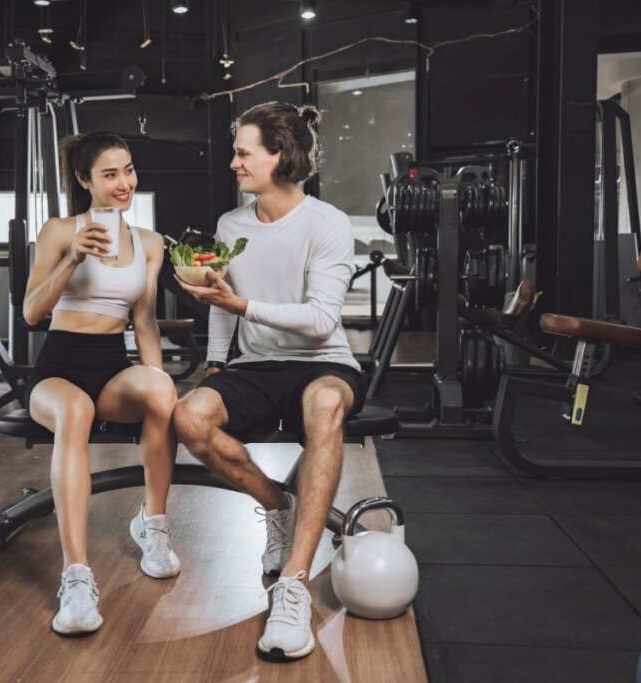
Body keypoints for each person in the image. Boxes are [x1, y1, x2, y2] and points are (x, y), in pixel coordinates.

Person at [173, 102, 365, 661]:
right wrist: (213, 364)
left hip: (323, 361)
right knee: (189, 416)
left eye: (242, 152)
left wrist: (243, 303)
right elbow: (221, 304)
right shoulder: (231, 224)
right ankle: (278, 509)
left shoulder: (325, 223)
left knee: (326, 404)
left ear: (279, 155)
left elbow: (322, 319)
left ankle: (293, 587)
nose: (232, 162)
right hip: (254, 368)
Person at [22, 131, 180, 636]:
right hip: (58, 369)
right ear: (83, 179)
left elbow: (145, 322)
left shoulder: (151, 244)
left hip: (111, 367)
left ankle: (152, 525)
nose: (124, 183)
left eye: (128, 170)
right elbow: (30, 314)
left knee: (161, 391)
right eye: (110, 174)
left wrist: (157, 378)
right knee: (76, 412)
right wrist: (73, 258)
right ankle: (76, 577)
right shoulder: (58, 231)